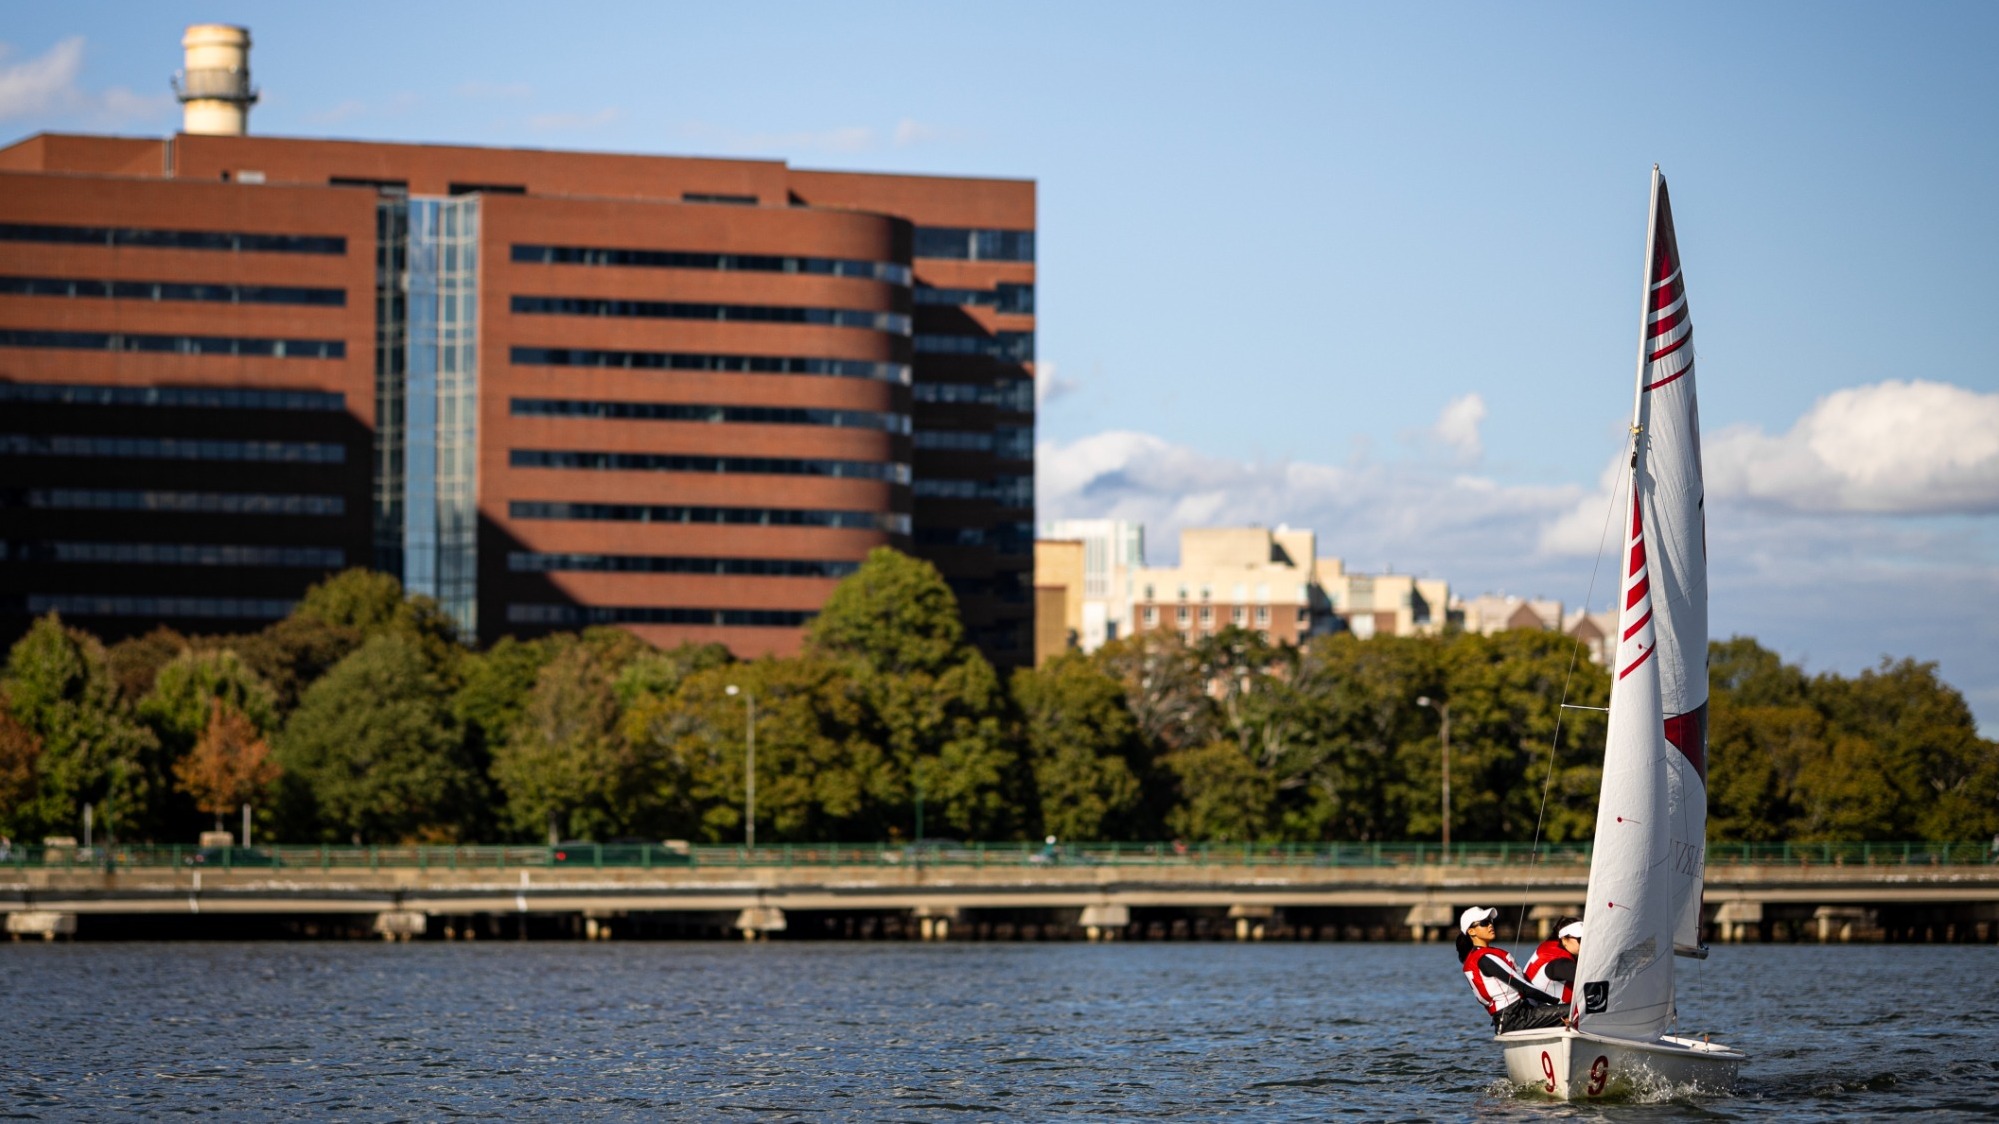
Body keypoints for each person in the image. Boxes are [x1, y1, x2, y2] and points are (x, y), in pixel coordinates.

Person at [1456, 906, 1568, 1034]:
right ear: (1471, 932)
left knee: (1569, 1010)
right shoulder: (1485, 958)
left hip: (1513, 1017)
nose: (1490, 925)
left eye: (1491, 922)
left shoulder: (1480, 956)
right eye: (1484, 923)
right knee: (1576, 1009)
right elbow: (1524, 987)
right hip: (1515, 1018)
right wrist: (1556, 1002)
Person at [1523, 918, 1583, 1005]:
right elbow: (1583, 976)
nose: (1584, 944)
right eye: (1580, 940)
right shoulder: (1559, 961)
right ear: (1564, 939)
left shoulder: (1549, 946)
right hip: (1534, 1012)